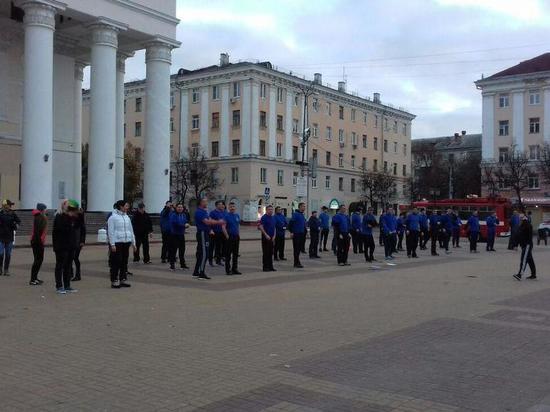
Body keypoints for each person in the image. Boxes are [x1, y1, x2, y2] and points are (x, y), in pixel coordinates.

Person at [52, 199, 80, 294]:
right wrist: (68, 217)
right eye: (68, 206)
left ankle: (67, 285)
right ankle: (59, 285)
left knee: (68, 266)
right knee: (60, 265)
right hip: (61, 246)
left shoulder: (72, 217)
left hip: (71, 245)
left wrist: (77, 215)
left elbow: (77, 226)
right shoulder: (59, 216)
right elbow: (61, 229)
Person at [193, 198, 225, 280]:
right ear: (201, 202)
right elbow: (207, 222)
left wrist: (211, 228)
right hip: (202, 233)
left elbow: (209, 220)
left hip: (206, 232)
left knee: (201, 253)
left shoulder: (204, 211)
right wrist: (218, 222)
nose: (206, 202)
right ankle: (201, 273)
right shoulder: (199, 212)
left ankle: (196, 271)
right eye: (205, 201)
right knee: (204, 254)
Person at [107, 200, 136, 289]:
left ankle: (123, 279)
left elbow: (131, 230)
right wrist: (112, 244)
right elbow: (110, 232)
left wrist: (133, 243)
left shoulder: (127, 217)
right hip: (117, 242)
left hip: (126, 242)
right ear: (121, 206)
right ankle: (114, 280)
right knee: (116, 262)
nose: (127, 208)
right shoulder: (113, 218)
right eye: (126, 206)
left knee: (124, 262)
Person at [0, 199, 20, 276]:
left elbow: (18, 221)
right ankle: (0, 269)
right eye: (9, 204)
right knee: (0, 254)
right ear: (5, 206)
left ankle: (6, 270)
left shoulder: (12, 213)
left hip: (9, 237)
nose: (11, 206)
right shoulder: (0, 214)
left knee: (8, 254)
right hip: (1, 237)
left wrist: (16, 226)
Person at [514, 213, 536, 281]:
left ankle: (520, 274)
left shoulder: (527, 225)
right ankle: (533, 274)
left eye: (521, 217)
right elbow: (518, 235)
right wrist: (516, 245)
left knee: (524, 259)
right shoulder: (522, 225)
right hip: (524, 245)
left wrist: (527, 244)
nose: (519, 219)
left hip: (527, 245)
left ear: (523, 218)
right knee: (530, 260)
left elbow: (528, 235)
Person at [29, 203, 48, 286]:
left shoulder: (41, 217)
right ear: (42, 209)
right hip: (37, 242)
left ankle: (35, 278)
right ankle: (32, 279)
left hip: (38, 241)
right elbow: (37, 231)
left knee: (39, 260)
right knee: (37, 260)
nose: (46, 210)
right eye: (45, 209)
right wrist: (39, 241)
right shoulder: (38, 217)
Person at [168, 203, 189, 271]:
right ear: (176, 208)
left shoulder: (183, 215)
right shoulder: (173, 215)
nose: (180, 208)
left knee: (182, 250)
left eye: (181, 207)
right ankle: (172, 265)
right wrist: (184, 225)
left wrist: (186, 224)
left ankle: (182, 265)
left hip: (181, 234)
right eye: (179, 207)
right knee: (173, 250)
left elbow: (185, 221)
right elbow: (175, 223)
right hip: (174, 234)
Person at [223, 202, 241, 275]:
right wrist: (226, 235)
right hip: (229, 236)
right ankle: (228, 269)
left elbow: (238, 226)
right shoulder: (226, 216)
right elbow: (223, 226)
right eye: (231, 207)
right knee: (228, 254)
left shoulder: (237, 215)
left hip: (236, 236)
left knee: (235, 254)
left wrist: (238, 234)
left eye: (233, 206)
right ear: (228, 208)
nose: (232, 208)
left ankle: (235, 269)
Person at [209, 200, 227, 266]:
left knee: (220, 247)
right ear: (216, 205)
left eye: (222, 204)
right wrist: (210, 230)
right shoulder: (212, 213)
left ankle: (218, 260)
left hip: (222, 232)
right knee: (212, 246)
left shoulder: (225, 212)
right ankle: (210, 260)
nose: (221, 206)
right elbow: (209, 222)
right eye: (219, 204)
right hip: (214, 232)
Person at [289, 202, 307, 268]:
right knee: (296, 249)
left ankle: (298, 261)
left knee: (299, 249)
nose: (304, 208)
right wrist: (291, 232)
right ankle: (296, 262)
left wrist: (306, 232)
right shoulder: (295, 214)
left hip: (301, 234)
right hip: (296, 234)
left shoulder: (302, 215)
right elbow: (290, 223)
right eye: (303, 206)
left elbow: (303, 225)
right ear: (299, 207)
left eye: (304, 206)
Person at [259, 205, 276, 272]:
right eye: (269, 209)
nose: (271, 211)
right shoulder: (264, 217)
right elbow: (261, 227)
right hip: (266, 237)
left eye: (271, 209)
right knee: (266, 252)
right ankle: (265, 267)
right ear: (266, 210)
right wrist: (266, 235)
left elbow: (274, 227)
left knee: (271, 252)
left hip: (272, 237)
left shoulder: (273, 218)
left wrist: (274, 235)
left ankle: (271, 266)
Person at [70, 208, 86, 281]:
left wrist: (82, 241)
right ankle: (71, 273)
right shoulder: (71, 219)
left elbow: (83, 231)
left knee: (75, 257)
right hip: (72, 241)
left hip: (78, 242)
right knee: (71, 257)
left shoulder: (79, 220)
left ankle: (77, 274)